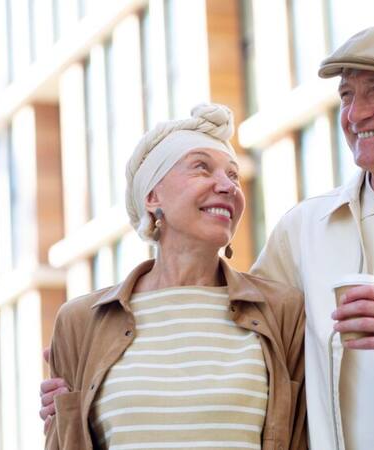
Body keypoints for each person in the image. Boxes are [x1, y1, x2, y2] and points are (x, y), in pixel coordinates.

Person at [44, 24, 374, 449]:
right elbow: (238, 346)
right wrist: (83, 393)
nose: (356, 113)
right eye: (348, 95)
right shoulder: (304, 231)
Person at [42, 103, 306, 450]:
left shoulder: (282, 311)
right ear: (152, 196)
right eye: (201, 168)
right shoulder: (82, 322)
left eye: (232, 175)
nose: (227, 186)